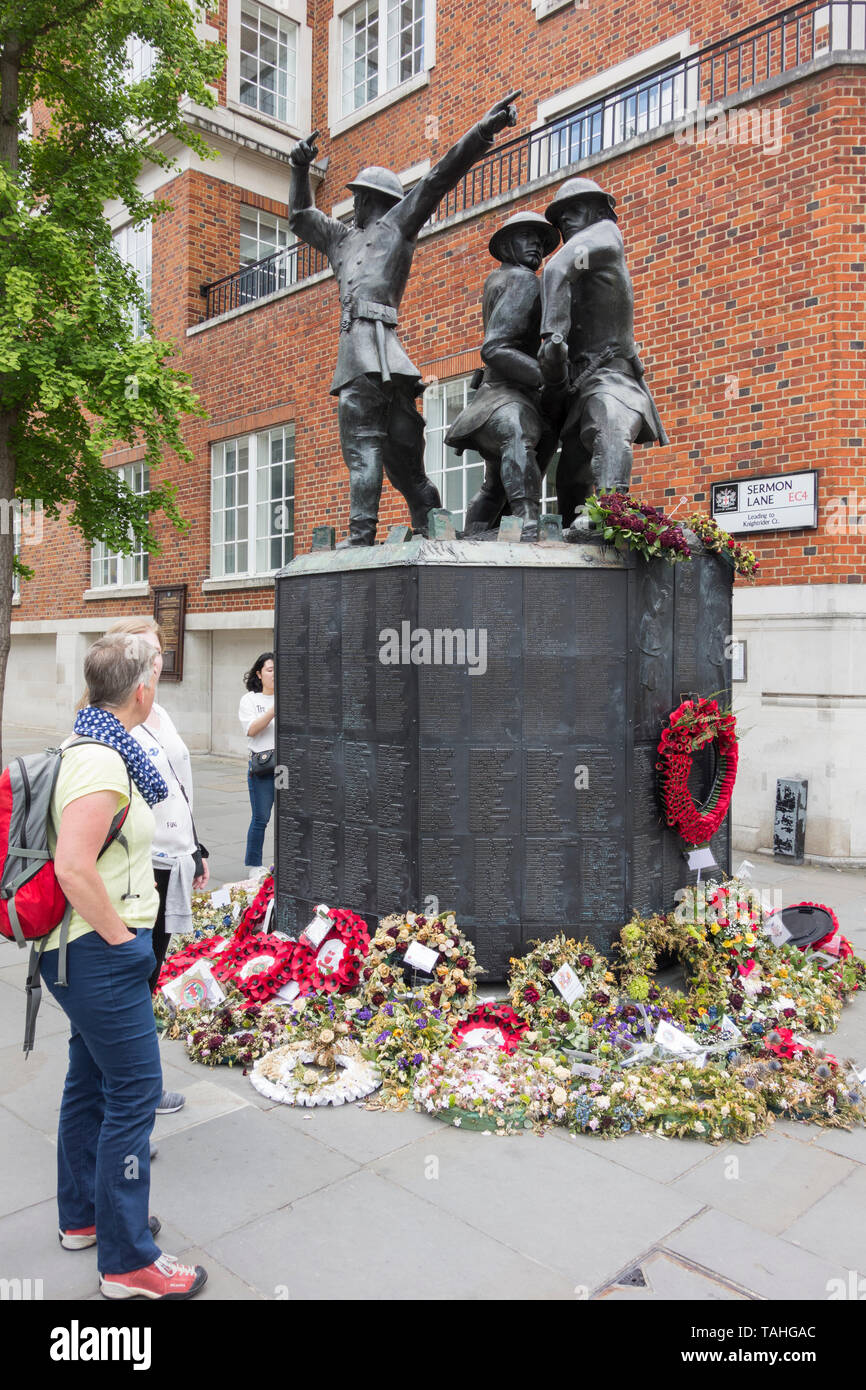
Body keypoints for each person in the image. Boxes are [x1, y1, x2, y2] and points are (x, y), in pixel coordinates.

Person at [41, 632, 207, 1299]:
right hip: (99, 954)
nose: (158, 684)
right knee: (134, 1095)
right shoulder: (103, 761)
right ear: (141, 690)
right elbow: (73, 867)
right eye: (157, 675)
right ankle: (129, 1260)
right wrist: (125, 941)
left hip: (83, 954)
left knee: (89, 1084)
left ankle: (86, 1218)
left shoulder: (94, 746)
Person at [288, 92, 521, 546]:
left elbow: (438, 178)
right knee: (400, 462)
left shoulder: (397, 226)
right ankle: (437, 528)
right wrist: (298, 168)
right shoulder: (340, 239)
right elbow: (299, 216)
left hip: (374, 353)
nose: (352, 206)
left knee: (372, 451)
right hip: (370, 355)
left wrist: (482, 132)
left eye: (357, 198)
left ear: (371, 200)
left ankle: (361, 542)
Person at [117, 619, 210, 1118]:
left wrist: (197, 847)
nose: (159, 659)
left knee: (148, 976)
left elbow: (178, 784)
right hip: (140, 866)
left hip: (174, 855)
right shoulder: (116, 723)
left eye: (160, 651)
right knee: (137, 980)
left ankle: (138, 1088)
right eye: (148, 652)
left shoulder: (160, 713)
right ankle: (133, 1097)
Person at [537, 177, 667, 527]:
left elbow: (555, 268)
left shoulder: (605, 235)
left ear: (599, 211)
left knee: (609, 420)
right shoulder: (584, 257)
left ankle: (612, 515)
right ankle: (571, 539)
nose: (564, 221)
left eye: (574, 211)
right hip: (580, 380)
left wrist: (552, 337)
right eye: (560, 217)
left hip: (609, 373)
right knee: (571, 475)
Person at [444, 210, 561, 537]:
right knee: (518, 434)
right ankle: (528, 521)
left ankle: (469, 539)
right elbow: (494, 348)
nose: (536, 246)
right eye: (528, 238)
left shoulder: (500, 277)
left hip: (503, 394)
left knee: (495, 485)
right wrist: (544, 375)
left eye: (540, 242)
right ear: (508, 244)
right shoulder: (522, 279)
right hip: (508, 395)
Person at [240, 652, 275, 873]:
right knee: (261, 817)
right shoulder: (250, 700)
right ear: (259, 674)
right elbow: (251, 730)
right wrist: (272, 712)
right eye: (270, 670)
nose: (275, 674)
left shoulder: (291, 696)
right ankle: (254, 864)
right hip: (264, 767)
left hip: (289, 768)